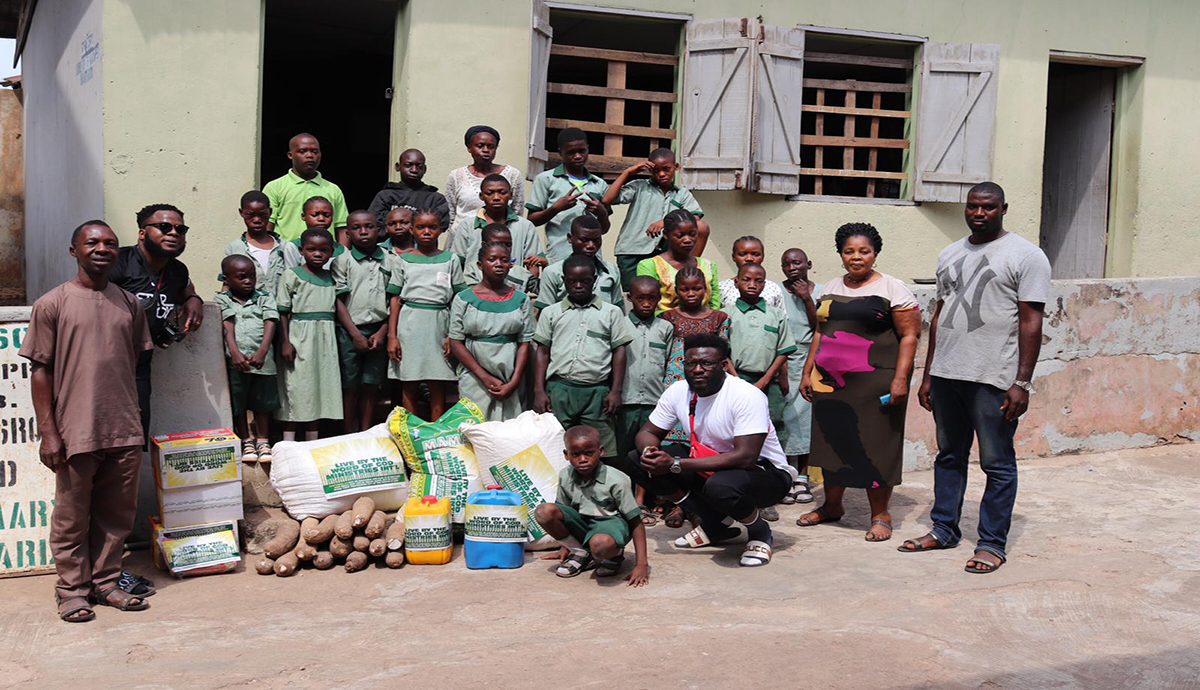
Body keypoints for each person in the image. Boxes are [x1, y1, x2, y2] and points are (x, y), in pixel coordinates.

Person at [898, 182, 1051, 574]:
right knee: (949, 456)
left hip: (993, 376)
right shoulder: (949, 253)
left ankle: (991, 544)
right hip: (948, 374)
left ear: (1003, 209)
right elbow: (939, 318)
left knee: (997, 463)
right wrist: (929, 375)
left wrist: (1022, 382)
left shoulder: (1027, 256)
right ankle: (944, 528)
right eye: (972, 207)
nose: (979, 213)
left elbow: (1032, 322)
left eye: (988, 207)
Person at [23, 220, 155, 622]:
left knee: (116, 514)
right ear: (74, 250)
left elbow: (133, 361)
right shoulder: (53, 304)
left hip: (123, 425)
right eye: (92, 242)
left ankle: (106, 583)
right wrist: (49, 433)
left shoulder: (129, 304)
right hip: (74, 428)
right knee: (72, 514)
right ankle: (71, 590)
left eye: (110, 243)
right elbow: (41, 372)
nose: (102, 248)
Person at [616, 334, 797, 567]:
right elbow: (647, 432)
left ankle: (759, 530)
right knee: (635, 459)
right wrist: (651, 451)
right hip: (710, 465)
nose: (697, 370)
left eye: (706, 363)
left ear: (723, 365)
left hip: (765, 474)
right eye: (691, 363)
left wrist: (674, 464)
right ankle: (714, 523)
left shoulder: (746, 395)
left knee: (720, 487)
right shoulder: (678, 391)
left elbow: (745, 457)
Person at [798, 223, 921, 543]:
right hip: (831, 384)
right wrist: (807, 370)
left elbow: (910, 336)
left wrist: (900, 379)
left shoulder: (894, 289)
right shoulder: (829, 288)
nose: (856, 257)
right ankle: (832, 506)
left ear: (875, 253)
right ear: (840, 255)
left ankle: (880, 515)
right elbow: (820, 332)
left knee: (875, 446)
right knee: (832, 443)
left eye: (863, 251)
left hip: (876, 384)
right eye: (849, 251)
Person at [108, 203, 205, 443]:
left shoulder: (177, 270)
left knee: (136, 436)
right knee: (103, 437)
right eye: (164, 227)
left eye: (180, 229)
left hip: (141, 363)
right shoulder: (119, 262)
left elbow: (185, 290)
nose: (173, 233)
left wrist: (194, 299)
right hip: (106, 363)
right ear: (142, 232)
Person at [532, 255, 632, 463]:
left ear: (594, 280)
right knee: (554, 443)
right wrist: (539, 390)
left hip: (597, 391)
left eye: (585, 281)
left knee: (602, 446)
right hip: (559, 389)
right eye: (572, 281)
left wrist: (616, 391)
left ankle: (602, 491)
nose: (578, 285)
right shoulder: (551, 313)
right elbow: (542, 352)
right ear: (564, 279)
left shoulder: (611, 313)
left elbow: (619, 352)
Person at [534, 425, 650, 584]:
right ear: (566, 455)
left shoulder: (617, 479)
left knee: (600, 544)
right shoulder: (565, 476)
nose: (582, 459)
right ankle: (579, 552)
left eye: (589, 453)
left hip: (610, 525)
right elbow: (563, 513)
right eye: (575, 454)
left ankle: (613, 555)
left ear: (600, 451)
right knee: (544, 511)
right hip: (582, 523)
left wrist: (641, 565)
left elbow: (636, 521)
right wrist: (565, 547)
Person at [727, 262, 796, 521]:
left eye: (759, 281)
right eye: (747, 280)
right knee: (739, 433)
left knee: (772, 431)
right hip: (737, 380)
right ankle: (740, 491)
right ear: (736, 282)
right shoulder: (727, 314)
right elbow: (723, 352)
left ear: (765, 284)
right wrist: (737, 380)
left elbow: (783, 351)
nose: (752, 285)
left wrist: (766, 380)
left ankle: (770, 492)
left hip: (769, 383)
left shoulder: (776, 315)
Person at [386, 208, 466, 421]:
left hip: (439, 323)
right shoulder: (402, 259)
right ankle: (412, 432)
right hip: (409, 324)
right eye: (421, 227)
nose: (427, 232)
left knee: (437, 380)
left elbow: (458, 298)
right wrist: (392, 336)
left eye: (432, 227)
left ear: (441, 230)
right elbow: (395, 299)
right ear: (412, 230)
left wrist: (453, 335)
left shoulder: (451, 259)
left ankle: (436, 429)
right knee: (409, 379)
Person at [448, 242, 536, 421]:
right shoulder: (463, 298)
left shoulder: (521, 299)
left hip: (511, 375)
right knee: (475, 428)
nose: (498, 264)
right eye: (492, 259)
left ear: (510, 265)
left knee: (510, 432)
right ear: (480, 265)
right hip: (475, 377)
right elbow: (456, 342)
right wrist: (484, 377)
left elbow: (524, 343)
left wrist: (514, 381)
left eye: (504, 260)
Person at [602, 148, 709, 290]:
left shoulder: (682, 194)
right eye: (656, 170)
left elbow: (694, 217)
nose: (661, 174)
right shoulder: (639, 186)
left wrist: (666, 222)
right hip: (632, 251)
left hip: (662, 252)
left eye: (666, 169)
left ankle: (689, 267)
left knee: (661, 293)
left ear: (676, 167)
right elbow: (608, 199)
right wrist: (628, 172)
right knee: (635, 294)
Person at [617, 276, 675, 525]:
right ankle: (622, 501)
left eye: (652, 298)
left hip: (654, 403)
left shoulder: (665, 329)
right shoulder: (619, 325)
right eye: (640, 298)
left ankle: (642, 503)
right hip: (624, 401)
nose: (646, 303)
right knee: (621, 453)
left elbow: (670, 363)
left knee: (647, 454)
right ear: (629, 298)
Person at [276, 228, 343, 441]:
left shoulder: (332, 278)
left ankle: (311, 442)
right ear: (301, 251)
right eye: (311, 249)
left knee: (318, 388)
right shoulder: (292, 275)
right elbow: (282, 312)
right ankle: (288, 442)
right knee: (298, 388)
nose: (317, 254)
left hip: (325, 339)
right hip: (299, 337)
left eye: (323, 250)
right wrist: (285, 342)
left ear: (331, 252)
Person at [332, 210, 395, 433]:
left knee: (371, 385)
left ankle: (366, 431)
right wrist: (355, 334)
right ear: (347, 234)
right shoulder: (341, 261)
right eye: (357, 228)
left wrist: (382, 332)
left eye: (368, 226)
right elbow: (338, 301)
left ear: (378, 230)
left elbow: (395, 300)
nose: (363, 232)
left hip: (379, 330)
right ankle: (349, 432)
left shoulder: (391, 260)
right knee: (350, 386)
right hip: (349, 331)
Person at [214, 255, 280, 462]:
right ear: (226, 279)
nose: (248, 281)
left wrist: (262, 351)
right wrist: (234, 352)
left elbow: (270, 322)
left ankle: (263, 440)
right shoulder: (221, 299)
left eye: (251, 276)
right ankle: (245, 441)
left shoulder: (264, 297)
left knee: (262, 404)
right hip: (237, 362)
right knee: (238, 403)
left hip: (263, 361)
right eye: (241, 277)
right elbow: (227, 324)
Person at [526, 127, 611, 263]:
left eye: (582, 151)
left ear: (588, 149)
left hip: (592, 259)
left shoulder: (599, 183)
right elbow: (531, 220)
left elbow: (604, 229)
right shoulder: (546, 179)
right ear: (561, 152)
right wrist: (556, 208)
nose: (577, 156)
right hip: (559, 257)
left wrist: (602, 213)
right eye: (571, 152)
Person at [778, 248, 820, 505]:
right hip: (782, 359)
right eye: (786, 263)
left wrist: (806, 298)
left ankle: (802, 477)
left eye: (797, 262)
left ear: (808, 264)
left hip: (809, 359)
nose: (792, 267)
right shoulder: (775, 291)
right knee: (782, 417)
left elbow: (821, 327)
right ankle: (784, 475)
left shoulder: (821, 290)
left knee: (805, 418)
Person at [449, 174, 545, 283]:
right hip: (475, 290)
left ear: (511, 195)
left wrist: (524, 287)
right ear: (481, 196)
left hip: (513, 291)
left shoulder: (525, 226)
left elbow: (533, 264)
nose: (496, 197)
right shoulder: (467, 226)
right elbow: (458, 264)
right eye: (489, 193)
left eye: (502, 192)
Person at [263, 133, 348, 242]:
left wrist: (342, 256)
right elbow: (268, 225)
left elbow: (341, 227)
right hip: (287, 254)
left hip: (325, 255)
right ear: (290, 155)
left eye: (314, 151)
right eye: (302, 151)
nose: (309, 155)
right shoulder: (274, 187)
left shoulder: (333, 189)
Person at [533, 214, 623, 313]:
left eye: (596, 240)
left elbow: (618, 310)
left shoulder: (611, 271)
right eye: (584, 240)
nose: (591, 246)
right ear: (570, 238)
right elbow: (544, 312)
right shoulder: (553, 272)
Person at [637, 209, 720, 314]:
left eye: (692, 234)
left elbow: (715, 305)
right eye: (680, 235)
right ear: (666, 235)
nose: (687, 240)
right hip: (664, 326)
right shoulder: (650, 265)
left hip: (705, 326)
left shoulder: (708, 265)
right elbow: (647, 304)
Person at [222, 190, 301, 297]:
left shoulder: (286, 248)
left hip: (278, 311)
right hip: (245, 311)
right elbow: (227, 285)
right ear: (241, 213)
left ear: (270, 212)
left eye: (262, 214)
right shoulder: (234, 248)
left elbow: (295, 284)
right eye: (250, 215)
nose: (257, 219)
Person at [444, 125, 525, 227]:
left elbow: (517, 211)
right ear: (469, 148)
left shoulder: (512, 174)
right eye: (480, 146)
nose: (485, 150)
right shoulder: (456, 176)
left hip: (500, 238)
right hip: (462, 237)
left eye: (491, 146)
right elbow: (450, 213)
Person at [367, 148, 450, 230]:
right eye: (408, 165)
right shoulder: (385, 196)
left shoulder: (436, 199)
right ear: (398, 167)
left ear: (424, 169)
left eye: (419, 166)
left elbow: (440, 226)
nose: (414, 170)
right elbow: (373, 224)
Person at [718, 236, 784, 310]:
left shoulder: (773, 288)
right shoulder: (722, 288)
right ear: (734, 257)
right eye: (742, 254)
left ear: (762, 257)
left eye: (755, 254)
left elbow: (782, 318)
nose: (749, 258)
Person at [293, 196, 347, 261]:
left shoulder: (342, 250)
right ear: (303, 216)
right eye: (314, 215)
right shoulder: (292, 247)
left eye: (326, 215)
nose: (321, 219)